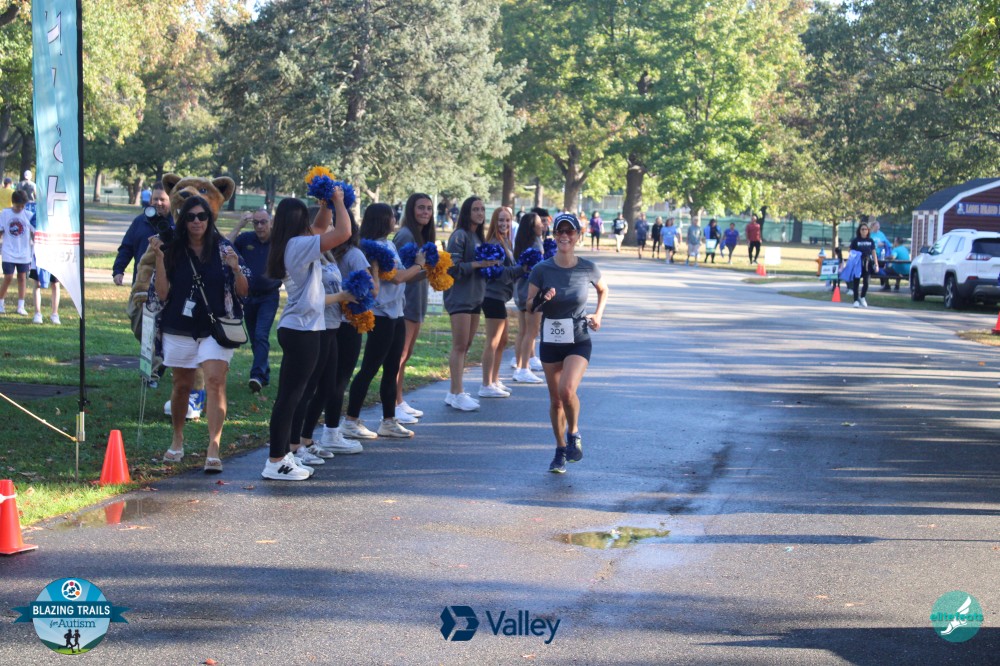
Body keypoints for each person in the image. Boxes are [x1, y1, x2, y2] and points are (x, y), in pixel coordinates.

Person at [148, 195, 250, 474]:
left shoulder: (224, 248)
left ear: (209, 220)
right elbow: (162, 294)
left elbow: (243, 291)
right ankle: (177, 438)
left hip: (215, 328)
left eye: (202, 216)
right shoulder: (172, 249)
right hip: (179, 327)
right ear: (183, 221)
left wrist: (236, 268)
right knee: (182, 385)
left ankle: (213, 447)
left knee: (215, 381)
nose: (196, 221)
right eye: (191, 217)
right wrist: (159, 258)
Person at [262, 191, 352, 481]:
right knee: (290, 397)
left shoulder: (294, 242)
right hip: (300, 330)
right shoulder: (298, 245)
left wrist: (327, 203)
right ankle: (276, 461)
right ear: (300, 220)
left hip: (303, 328)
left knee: (295, 395)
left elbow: (323, 226)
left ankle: (283, 454)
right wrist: (340, 201)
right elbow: (343, 232)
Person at [526, 213, 609, 474]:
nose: (564, 236)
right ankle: (560, 449)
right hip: (551, 339)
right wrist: (542, 297)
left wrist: (598, 315)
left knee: (567, 389)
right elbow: (528, 305)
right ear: (554, 235)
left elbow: (603, 289)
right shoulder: (541, 269)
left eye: (569, 231)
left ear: (577, 236)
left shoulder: (587, 268)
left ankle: (573, 432)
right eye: (560, 231)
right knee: (556, 401)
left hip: (578, 339)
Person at [341, 204, 427, 439]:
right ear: (381, 220)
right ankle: (350, 420)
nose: (394, 219)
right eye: (391, 216)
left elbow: (405, 277)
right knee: (370, 367)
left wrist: (427, 269)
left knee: (392, 368)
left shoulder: (389, 244)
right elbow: (397, 278)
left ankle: (389, 420)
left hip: (396, 313)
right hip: (380, 315)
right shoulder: (371, 248)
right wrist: (419, 264)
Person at [297, 208, 368, 456]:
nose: (333, 229)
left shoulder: (328, 255)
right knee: (307, 388)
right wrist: (342, 297)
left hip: (331, 326)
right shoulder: (307, 254)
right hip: (315, 328)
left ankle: (306, 440)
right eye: (328, 225)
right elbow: (310, 299)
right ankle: (293, 445)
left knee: (327, 386)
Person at [444, 196, 501, 410]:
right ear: (467, 212)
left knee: (466, 345)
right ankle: (457, 393)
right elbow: (452, 267)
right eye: (475, 209)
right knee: (459, 345)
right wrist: (479, 264)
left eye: (482, 209)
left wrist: (491, 266)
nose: (480, 213)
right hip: (459, 297)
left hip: (476, 297)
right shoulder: (459, 235)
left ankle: (454, 392)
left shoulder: (478, 236)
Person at [393, 193, 435, 424]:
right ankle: (392, 404)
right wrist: (426, 269)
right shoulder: (405, 235)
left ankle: (399, 400)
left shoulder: (420, 235)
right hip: (405, 304)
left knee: (405, 355)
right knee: (399, 356)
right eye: (421, 207)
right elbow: (397, 274)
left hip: (417, 302)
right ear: (411, 209)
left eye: (429, 208)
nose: (425, 212)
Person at [229, 208, 281, 392]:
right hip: (248, 296)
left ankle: (257, 375)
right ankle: (264, 373)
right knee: (254, 338)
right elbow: (225, 244)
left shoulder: (279, 241)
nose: (259, 226)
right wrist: (239, 225)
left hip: (269, 296)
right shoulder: (246, 239)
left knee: (261, 335)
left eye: (263, 222)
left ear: (271, 223)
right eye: (256, 222)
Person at [479, 206, 524, 398]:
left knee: (503, 340)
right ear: (494, 222)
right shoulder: (494, 243)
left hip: (501, 297)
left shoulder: (506, 241)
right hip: (492, 296)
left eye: (507, 220)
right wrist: (522, 269)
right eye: (500, 220)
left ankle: (495, 379)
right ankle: (486, 384)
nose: (504, 223)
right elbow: (499, 274)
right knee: (493, 341)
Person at [113, 183, 172, 286]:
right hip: (142, 283)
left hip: (169, 283)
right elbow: (127, 248)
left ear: (171, 200)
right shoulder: (139, 221)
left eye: (163, 199)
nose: (158, 203)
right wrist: (118, 270)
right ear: (150, 200)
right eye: (155, 199)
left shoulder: (178, 223)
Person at [511, 212, 546, 384]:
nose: (542, 225)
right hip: (531, 293)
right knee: (532, 331)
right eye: (539, 223)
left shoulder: (524, 243)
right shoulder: (533, 246)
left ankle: (522, 364)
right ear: (531, 227)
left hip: (521, 291)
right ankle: (523, 368)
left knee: (524, 331)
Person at [0, 190, 34, 315]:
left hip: (24, 252)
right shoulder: (5, 213)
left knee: (22, 278)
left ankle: (21, 306)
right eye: (18, 205)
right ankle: (1, 303)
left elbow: (33, 233)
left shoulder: (29, 215)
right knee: (8, 277)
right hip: (8, 251)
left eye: (22, 206)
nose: (20, 208)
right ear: (13, 202)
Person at [845, 221, 879, 308]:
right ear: (859, 231)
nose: (864, 231)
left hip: (867, 263)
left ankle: (862, 297)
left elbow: (874, 252)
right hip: (857, 263)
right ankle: (856, 300)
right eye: (862, 229)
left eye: (865, 229)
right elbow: (850, 250)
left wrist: (876, 264)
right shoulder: (855, 240)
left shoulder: (870, 240)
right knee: (856, 282)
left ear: (868, 230)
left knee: (866, 282)